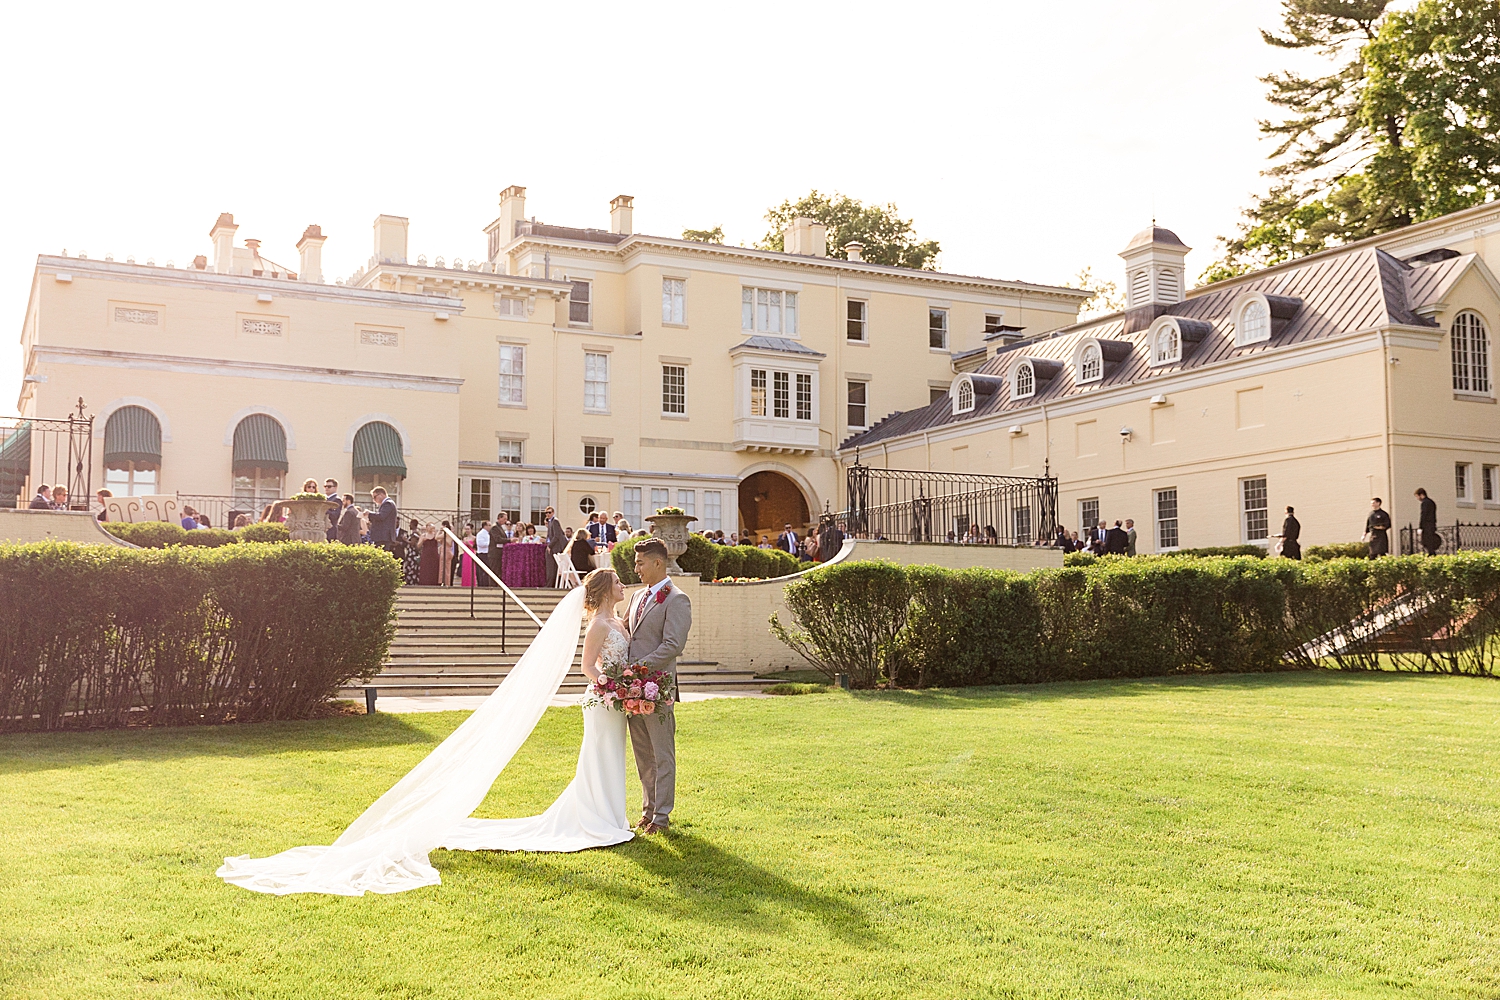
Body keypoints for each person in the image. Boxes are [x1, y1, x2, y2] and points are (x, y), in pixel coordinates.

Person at [625, 538, 692, 834]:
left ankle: (662, 817)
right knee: (642, 754)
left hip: (658, 689)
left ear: (657, 563)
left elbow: (672, 645)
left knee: (662, 755)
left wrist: (640, 668)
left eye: (640, 563)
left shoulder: (677, 599)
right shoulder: (637, 597)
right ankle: (648, 810)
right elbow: (628, 633)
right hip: (630, 690)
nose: (636, 568)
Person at [367, 487, 398, 554]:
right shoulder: (387, 504)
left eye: (374, 497)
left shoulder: (388, 503)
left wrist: (369, 513)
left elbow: (381, 516)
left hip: (383, 536)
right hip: (382, 536)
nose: (374, 500)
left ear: (381, 494)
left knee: (381, 555)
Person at [545, 506, 567, 587]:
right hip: (554, 546)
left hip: (556, 547)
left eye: (549, 512)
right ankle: (550, 584)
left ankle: (551, 584)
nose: (548, 514)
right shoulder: (550, 522)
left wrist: (550, 546)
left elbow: (557, 535)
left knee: (553, 567)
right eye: (546, 513)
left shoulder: (555, 521)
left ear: (553, 513)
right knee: (552, 567)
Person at [1416, 487, 1440, 555]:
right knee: (1430, 543)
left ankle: (1431, 556)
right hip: (1432, 525)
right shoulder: (1431, 502)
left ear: (1421, 495)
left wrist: (1420, 527)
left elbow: (1423, 515)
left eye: (1417, 496)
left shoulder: (1425, 503)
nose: (1417, 498)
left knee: (1427, 543)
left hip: (1427, 526)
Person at [401, 519, 422, 584]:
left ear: (413, 524)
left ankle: (412, 581)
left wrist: (405, 540)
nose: (409, 525)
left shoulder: (415, 534)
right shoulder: (415, 533)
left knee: (411, 568)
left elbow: (413, 543)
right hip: (411, 553)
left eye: (410, 524)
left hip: (412, 554)